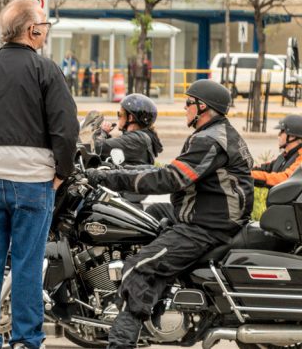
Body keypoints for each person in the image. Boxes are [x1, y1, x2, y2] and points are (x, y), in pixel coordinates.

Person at [0, 0, 78, 349]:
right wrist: (61, 173)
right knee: (26, 264)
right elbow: (66, 129)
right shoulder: (47, 71)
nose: (46, 32)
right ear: (32, 29)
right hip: (34, 182)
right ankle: (25, 340)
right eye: (44, 26)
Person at [85, 80, 253, 349]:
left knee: (138, 268)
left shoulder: (209, 140)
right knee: (146, 218)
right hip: (202, 214)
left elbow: (169, 179)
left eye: (188, 103)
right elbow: (165, 172)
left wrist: (111, 178)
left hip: (206, 226)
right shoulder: (216, 133)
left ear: (203, 107)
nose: (185, 107)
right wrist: (111, 174)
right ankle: (158, 299)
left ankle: (121, 342)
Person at [92, 93, 163, 166]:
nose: (119, 118)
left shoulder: (138, 139)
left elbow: (100, 148)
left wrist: (102, 132)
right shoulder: (140, 137)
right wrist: (107, 136)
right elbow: (115, 149)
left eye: (120, 114)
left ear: (130, 118)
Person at [253, 114, 302, 188]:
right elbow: (269, 167)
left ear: (292, 136)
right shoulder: (287, 154)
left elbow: (284, 179)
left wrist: (250, 175)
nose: (279, 135)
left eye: (282, 131)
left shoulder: (300, 158)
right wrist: (245, 170)